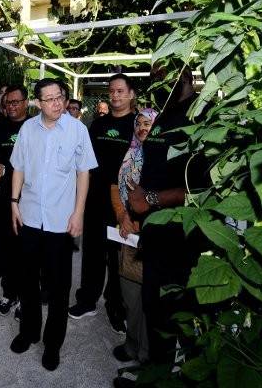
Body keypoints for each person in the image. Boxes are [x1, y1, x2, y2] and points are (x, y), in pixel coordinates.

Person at [120, 66, 206, 382]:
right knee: (154, 307)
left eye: (163, 77)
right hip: (155, 231)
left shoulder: (199, 116)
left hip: (180, 237)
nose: (158, 83)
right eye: (155, 78)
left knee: (178, 313)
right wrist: (136, 209)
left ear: (184, 76)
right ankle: (154, 372)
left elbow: (204, 188)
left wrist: (152, 199)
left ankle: (176, 375)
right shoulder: (165, 115)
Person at [9, 79, 96, 371]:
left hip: (61, 221)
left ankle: (52, 344)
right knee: (27, 280)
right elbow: (18, 166)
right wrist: (13, 202)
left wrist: (79, 212)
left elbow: (84, 173)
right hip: (30, 216)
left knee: (59, 288)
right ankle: (29, 331)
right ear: (38, 103)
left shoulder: (77, 129)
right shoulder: (27, 130)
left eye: (59, 97)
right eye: (48, 99)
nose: (56, 103)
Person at [69, 74, 136, 332]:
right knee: (93, 254)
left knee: (118, 258)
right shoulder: (97, 125)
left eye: (120, 91)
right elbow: (84, 161)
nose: (115, 95)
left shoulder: (138, 124)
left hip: (123, 204)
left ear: (131, 94)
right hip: (96, 200)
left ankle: (116, 308)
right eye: (112, 91)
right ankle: (87, 301)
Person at [110, 108, 159, 366]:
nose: (142, 128)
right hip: (128, 233)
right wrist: (122, 216)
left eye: (148, 124)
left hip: (152, 234)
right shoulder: (131, 153)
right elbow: (116, 186)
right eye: (139, 123)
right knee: (130, 293)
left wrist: (143, 219)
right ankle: (132, 344)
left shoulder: (162, 156)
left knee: (149, 298)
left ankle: (146, 356)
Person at [0, 85, 29, 315]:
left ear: (26, 102)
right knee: (7, 248)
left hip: (28, 198)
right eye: (8, 102)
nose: (11, 106)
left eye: (16, 102)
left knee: (26, 249)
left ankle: (25, 297)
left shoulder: (34, 127)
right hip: (2, 197)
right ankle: (9, 293)